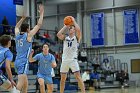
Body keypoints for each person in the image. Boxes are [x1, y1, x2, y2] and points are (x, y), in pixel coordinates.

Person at [14, 4, 44, 93]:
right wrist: (41, 13)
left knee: (25, 83)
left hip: (17, 60)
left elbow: (16, 27)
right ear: (28, 29)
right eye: (29, 28)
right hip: (23, 61)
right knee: (20, 83)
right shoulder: (28, 35)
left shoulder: (17, 34)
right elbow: (39, 25)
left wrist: (22, 18)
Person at [57, 16, 85, 93]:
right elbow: (58, 34)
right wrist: (66, 25)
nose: (70, 29)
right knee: (62, 79)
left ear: (74, 30)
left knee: (78, 77)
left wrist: (74, 21)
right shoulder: (65, 38)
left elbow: (79, 30)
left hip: (73, 60)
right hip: (65, 60)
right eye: (69, 28)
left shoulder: (77, 37)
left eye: (71, 28)